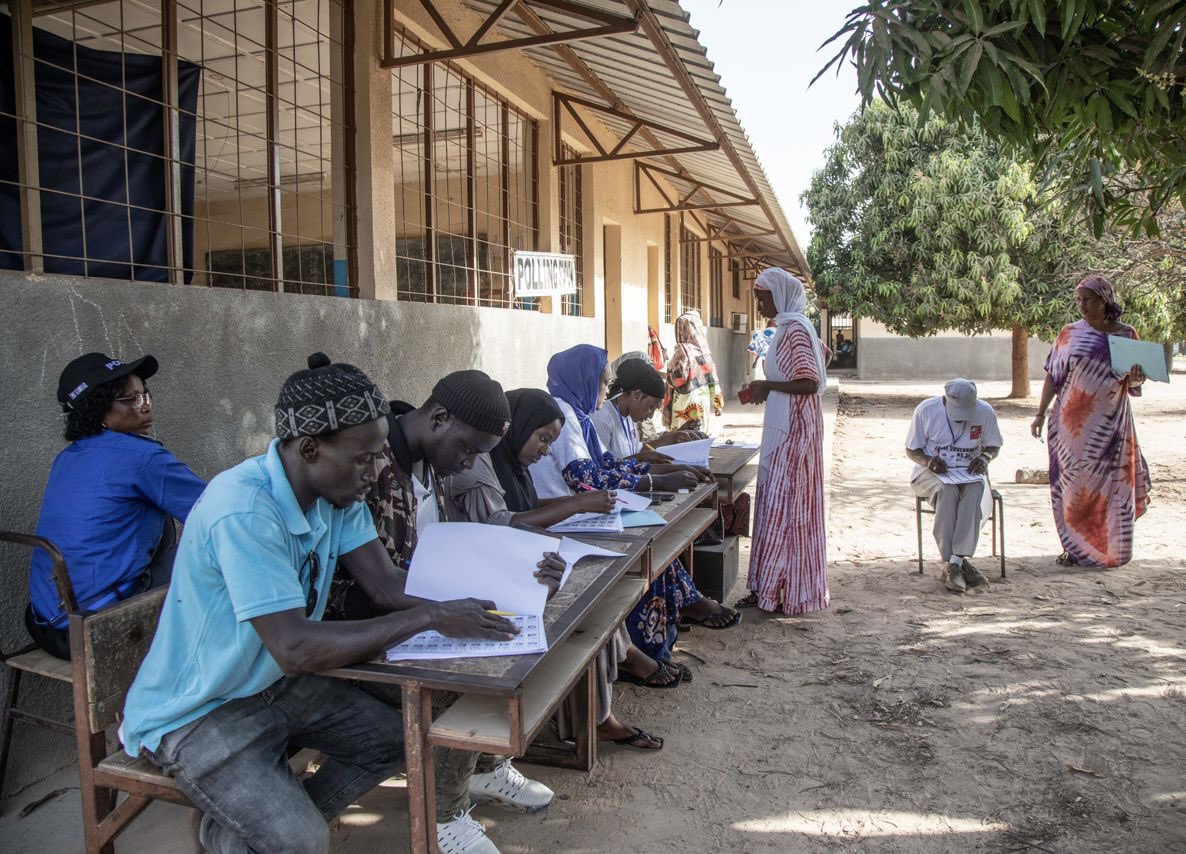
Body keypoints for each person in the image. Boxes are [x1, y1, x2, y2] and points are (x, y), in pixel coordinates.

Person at [122, 353, 520, 854]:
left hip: (273, 685)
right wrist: (431, 616)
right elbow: (295, 648)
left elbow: (387, 587)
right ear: (309, 448)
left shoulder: (337, 498)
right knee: (303, 841)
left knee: (401, 739)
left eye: (379, 456)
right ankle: (267, 833)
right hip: (200, 710)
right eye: (363, 459)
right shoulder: (244, 509)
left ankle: (240, 833)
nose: (376, 473)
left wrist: (500, 601)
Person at [338, 370, 561, 854]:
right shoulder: (370, 465)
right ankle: (444, 814)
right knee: (461, 679)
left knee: (506, 642)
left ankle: (482, 769)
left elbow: (447, 549)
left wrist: (523, 567)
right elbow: (379, 586)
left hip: (413, 610)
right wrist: (450, 611)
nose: (470, 463)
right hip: (360, 628)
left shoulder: (432, 465)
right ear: (439, 418)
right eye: (468, 450)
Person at [445, 388, 665, 752]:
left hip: (516, 559)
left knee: (598, 588)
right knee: (582, 601)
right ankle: (594, 718)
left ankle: (601, 700)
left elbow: (526, 507)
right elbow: (500, 524)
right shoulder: (481, 463)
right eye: (542, 438)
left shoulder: (512, 462)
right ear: (518, 427)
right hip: (488, 571)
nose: (545, 450)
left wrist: (576, 505)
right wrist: (575, 504)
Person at [530, 344, 740, 667]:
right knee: (647, 548)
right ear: (584, 379)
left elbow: (609, 465)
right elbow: (589, 480)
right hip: (564, 519)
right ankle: (644, 650)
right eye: (603, 383)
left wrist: (661, 471)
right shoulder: (565, 416)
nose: (607, 391)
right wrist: (655, 480)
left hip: (579, 512)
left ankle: (668, 628)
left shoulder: (577, 416)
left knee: (659, 544)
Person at [26, 352, 206, 659]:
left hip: (44, 623)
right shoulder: (142, 458)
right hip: (96, 629)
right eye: (131, 399)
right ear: (98, 408)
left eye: (145, 394)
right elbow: (218, 512)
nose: (146, 405)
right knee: (214, 544)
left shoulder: (67, 458)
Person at [1030, 274, 1151, 568]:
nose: (1082, 305)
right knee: (1074, 486)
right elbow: (1053, 375)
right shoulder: (1070, 334)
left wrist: (1138, 376)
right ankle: (1076, 549)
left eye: (1088, 299)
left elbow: (1134, 382)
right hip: (1071, 424)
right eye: (1079, 300)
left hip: (1112, 423)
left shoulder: (1126, 334)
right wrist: (1040, 412)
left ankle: (1114, 549)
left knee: (1113, 485)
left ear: (1104, 299)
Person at [735, 270, 829, 615]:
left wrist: (769, 387)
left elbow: (810, 381)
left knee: (788, 509)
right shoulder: (790, 328)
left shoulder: (795, 330)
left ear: (781, 295)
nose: (759, 303)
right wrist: (772, 386)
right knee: (777, 507)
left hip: (795, 431)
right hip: (786, 424)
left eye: (763, 297)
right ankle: (769, 588)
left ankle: (786, 590)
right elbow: (824, 355)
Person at [905, 378, 1003, 592]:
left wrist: (985, 457)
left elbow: (994, 445)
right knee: (947, 491)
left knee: (975, 490)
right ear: (946, 400)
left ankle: (955, 563)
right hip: (930, 473)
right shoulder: (926, 410)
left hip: (968, 473)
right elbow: (912, 450)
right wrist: (929, 461)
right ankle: (955, 563)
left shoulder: (985, 411)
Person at [663, 309, 724, 432]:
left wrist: (666, 412)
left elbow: (672, 382)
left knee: (681, 436)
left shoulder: (680, 353)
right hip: (702, 401)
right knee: (699, 432)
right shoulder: (705, 354)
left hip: (684, 401)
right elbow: (714, 382)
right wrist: (718, 405)